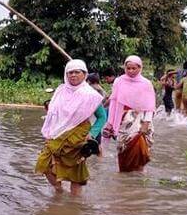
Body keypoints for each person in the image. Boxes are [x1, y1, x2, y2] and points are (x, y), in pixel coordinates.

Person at [35, 59, 107, 195]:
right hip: (56, 135)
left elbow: (102, 117)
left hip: (78, 137)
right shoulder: (61, 91)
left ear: (84, 74)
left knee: (76, 173)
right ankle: (59, 190)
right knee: (44, 164)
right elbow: (53, 114)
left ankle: (75, 205)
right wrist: (49, 132)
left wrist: (92, 133)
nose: (73, 75)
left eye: (77, 72)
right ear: (66, 75)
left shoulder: (90, 95)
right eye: (70, 73)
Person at [102, 55, 156, 173]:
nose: (131, 71)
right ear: (124, 68)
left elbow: (150, 105)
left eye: (134, 68)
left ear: (140, 68)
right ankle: (125, 179)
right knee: (124, 149)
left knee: (139, 150)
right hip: (123, 120)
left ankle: (139, 176)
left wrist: (146, 123)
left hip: (140, 120)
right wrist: (110, 122)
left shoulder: (146, 84)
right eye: (128, 68)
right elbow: (114, 102)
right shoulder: (119, 81)